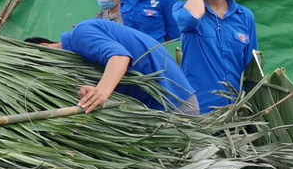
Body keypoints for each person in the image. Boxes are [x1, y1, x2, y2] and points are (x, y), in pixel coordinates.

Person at [25, 20, 198, 115]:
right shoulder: (80, 62)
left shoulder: (80, 34)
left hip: (176, 105)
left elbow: (119, 57)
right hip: (164, 107)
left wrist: (101, 91)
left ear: (44, 47)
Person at [175, 0, 258, 113]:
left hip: (232, 113)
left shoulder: (244, 16)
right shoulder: (182, 8)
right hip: (196, 111)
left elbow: (251, 66)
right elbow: (192, 18)